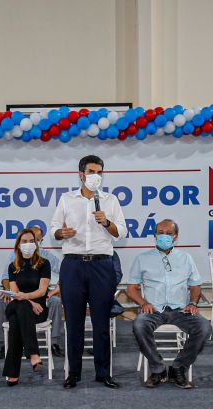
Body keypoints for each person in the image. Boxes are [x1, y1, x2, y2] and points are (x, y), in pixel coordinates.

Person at [49, 154, 126, 389]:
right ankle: (74, 373)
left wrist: (107, 223)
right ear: (81, 174)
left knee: (102, 323)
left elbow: (121, 232)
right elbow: (53, 229)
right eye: (92, 172)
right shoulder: (66, 199)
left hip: (102, 265)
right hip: (73, 265)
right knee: (74, 323)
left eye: (100, 172)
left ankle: (103, 373)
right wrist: (62, 233)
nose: (96, 176)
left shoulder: (110, 200)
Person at [126, 219, 211, 389]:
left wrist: (193, 302)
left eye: (169, 233)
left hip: (181, 309)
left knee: (204, 327)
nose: (164, 236)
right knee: (139, 325)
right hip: (153, 310)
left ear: (176, 237)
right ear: (155, 235)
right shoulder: (142, 259)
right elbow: (130, 289)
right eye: (160, 232)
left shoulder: (185, 258)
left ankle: (178, 367)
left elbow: (195, 286)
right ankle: (158, 369)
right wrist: (143, 303)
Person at [0, 226, 63, 359]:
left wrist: (56, 289)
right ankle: (4, 343)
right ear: (20, 242)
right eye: (27, 241)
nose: (30, 244)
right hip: (17, 291)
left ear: (40, 241)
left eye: (35, 240)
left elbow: (65, 271)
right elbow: (5, 277)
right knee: (0, 301)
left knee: (56, 301)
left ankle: (54, 342)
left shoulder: (46, 257)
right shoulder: (14, 257)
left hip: (39, 292)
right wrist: (9, 292)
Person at [2, 228, 52, 385]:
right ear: (18, 245)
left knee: (17, 321)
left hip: (38, 310)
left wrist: (25, 298)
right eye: (24, 241)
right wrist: (28, 300)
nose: (28, 244)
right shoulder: (13, 266)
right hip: (18, 304)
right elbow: (15, 293)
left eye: (32, 241)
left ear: (36, 244)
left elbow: (42, 290)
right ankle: (33, 354)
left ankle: (12, 373)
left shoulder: (44, 264)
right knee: (21, 306)